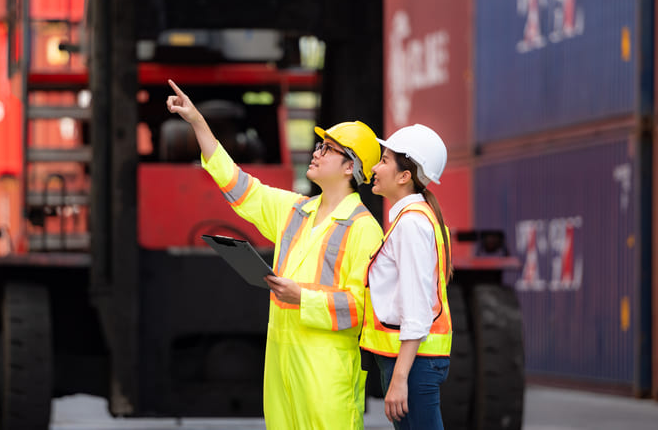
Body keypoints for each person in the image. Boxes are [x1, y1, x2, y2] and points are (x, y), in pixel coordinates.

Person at [166, 79, 383, 430]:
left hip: (326, 370)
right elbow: (237, 184)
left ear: (350, 168)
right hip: (282, 362)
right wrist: (197, 122)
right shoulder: (295, 210)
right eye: (319, 145)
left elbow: (365, 308)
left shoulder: (364, 230)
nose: (316, 152)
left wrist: (303, 298)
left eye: (328, 149)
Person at [359, 124, 453, 429]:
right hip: (415, 361)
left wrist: (399, 378)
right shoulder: (413, 218)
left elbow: (416, 308)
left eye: (384, 160)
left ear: (404, 176)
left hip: (413, 364)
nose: (374, 167)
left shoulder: (411, 224)